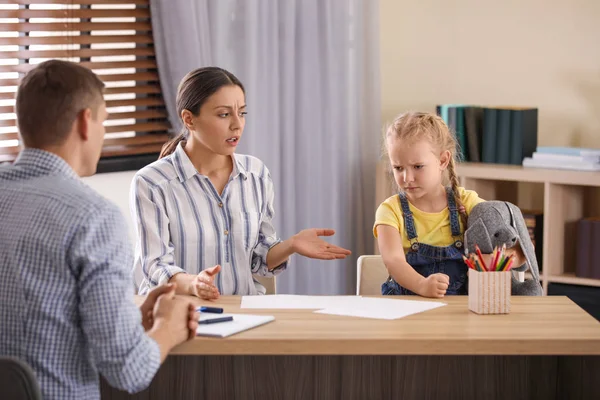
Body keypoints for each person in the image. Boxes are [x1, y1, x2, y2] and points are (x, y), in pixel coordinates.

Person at [0, 60, 198, 400]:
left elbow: (35, 316)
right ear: (85, 122)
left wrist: (128, 316)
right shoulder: (94, 217)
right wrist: (169, 326)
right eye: (104, 122)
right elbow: (128, 370)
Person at [131, 67, 351, 298]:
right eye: (224, 114)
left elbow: (259, 259)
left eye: (242, 113)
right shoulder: (152, 183)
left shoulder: (256, 174)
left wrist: (291, 245)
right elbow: (155, 265)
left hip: (244, 312)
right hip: (180, 313)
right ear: (189, 119)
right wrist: (194, 283)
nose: (237, 124)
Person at [374, 111, 486, 298]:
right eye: (398, 168)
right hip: (406, 311)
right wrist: (421, 285)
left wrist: (510, 255)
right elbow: (393, 260)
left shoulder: (466, 202)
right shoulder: (390, 211)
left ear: (443, 160)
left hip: (456, 316)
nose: (407, 178)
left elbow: (507, 232)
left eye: (418, 166)